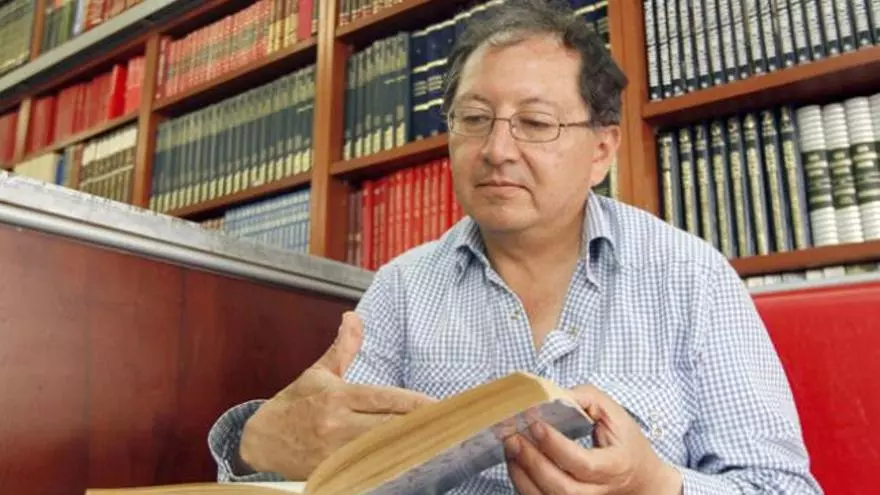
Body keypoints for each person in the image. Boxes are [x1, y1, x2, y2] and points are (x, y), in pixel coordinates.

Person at [209, 0, 824, 493]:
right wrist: (255, 447)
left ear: (602, 151)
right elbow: (337, 476)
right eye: (474, 118)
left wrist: (655, 485)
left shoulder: (689, 275)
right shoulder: (402, 290)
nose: (497, 150)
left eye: (535, 123)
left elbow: (781, 486)